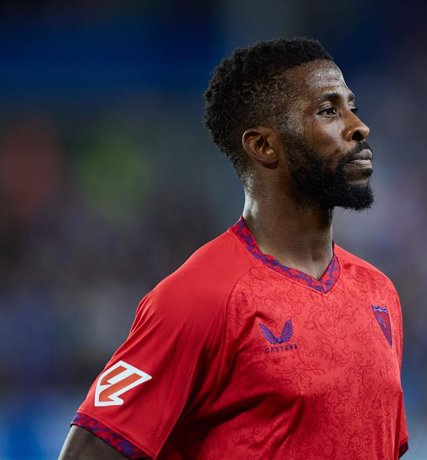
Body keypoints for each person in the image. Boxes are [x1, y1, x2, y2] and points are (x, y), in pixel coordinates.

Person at [59, 37, 408, 459]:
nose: (358, 126)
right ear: (263, 146)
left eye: (352, 106)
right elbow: (90, 452)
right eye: (328, 110)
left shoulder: (378, 293)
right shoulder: (197, 298)